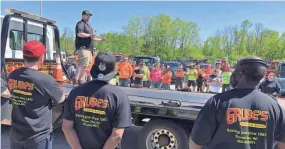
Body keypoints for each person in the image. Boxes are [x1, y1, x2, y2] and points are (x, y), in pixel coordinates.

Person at [189, 56, 285, 149]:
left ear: (240, 73)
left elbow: (196, 143)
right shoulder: (274, 107)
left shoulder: (217, 102)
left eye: (235, 71)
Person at [62, 52, 132, 149]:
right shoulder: (119, 96)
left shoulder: (75, 92)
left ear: (93, 68)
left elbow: (66, 126)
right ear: (113, 70)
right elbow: (117, 135)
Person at [8, 41, 65, 149]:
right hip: (38, 137)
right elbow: (61, 99)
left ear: (23, 55)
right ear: (41, 58)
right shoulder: (46, 80)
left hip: (16, 133)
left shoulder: (12, 75)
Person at [74, 10, 107, 85]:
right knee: (82, 64)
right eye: (87, 15)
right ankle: (76, 80)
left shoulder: (89, 26)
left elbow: (92, 37)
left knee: (85, 65)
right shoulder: (81, 24)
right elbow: (79, 34)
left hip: (89, 49)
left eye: (89, 16)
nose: (89, 17)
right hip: (83, 47)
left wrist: (101, 40)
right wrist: (89, 35)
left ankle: (79, 80)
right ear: (83, 15)